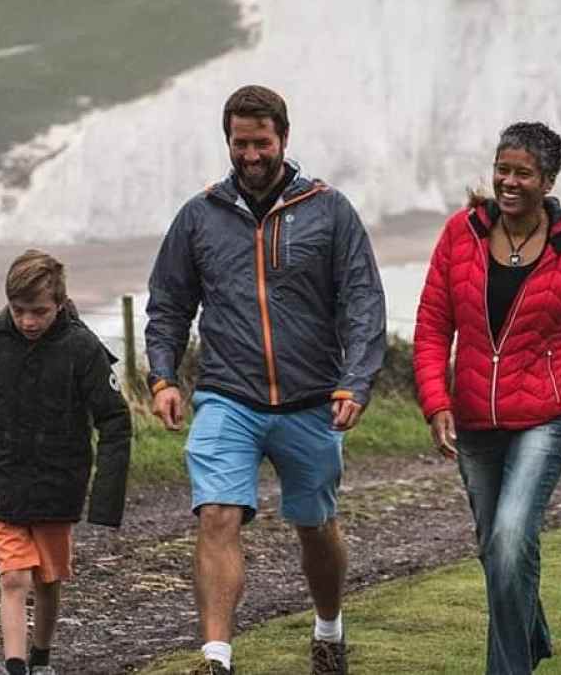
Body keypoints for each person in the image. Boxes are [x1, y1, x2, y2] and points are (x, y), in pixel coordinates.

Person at [145, 84, 386, 675]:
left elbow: (362, 303)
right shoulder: (199, 216)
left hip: (310, 401)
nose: (250, 155)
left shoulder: (330, 211)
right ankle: (217, 657)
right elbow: (168, 304)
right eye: (239, 143)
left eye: (261, 142)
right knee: (217, 515)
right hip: (228, 396)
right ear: (227, 141)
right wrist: (163, 377)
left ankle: (328, 627)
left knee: (315, 526)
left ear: (283, 139)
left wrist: (355, 382)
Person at [412, 121, 561, 674]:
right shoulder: (459, 234)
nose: (509, 182)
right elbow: (433, 323)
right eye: (502, 170)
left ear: (548, 180)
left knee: (512, 537)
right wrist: (436, 401)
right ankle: (530, 635)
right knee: (497, 548)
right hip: (473, 421)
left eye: (523, 173)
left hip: (545, 416)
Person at [0, 250, 131, 675]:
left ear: (59, 303)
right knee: (13, 577)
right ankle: (17, 667)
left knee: (47, 578)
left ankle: (41, 658)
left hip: (59, 483)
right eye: (19, 310)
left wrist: (106, 502)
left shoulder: (83, 347)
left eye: (38, 311)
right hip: (1, 480)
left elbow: (115, 419)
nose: (28, 321)